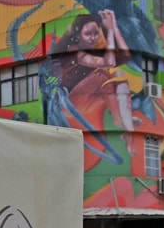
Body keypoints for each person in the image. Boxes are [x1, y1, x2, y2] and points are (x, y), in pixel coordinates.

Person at [51, 11, 138, 155]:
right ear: (78, 35)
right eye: (88, 34)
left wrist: (114, 27)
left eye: (96, 33)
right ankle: (122, 121)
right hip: (70, 104)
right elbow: (109, 62)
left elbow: (126, 56)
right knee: (103, 75)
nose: (93, 38)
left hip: (86, 99)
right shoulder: (75, 52)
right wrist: (109, 31)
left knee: (117, 77)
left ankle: (125, 126)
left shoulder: (93, 50)